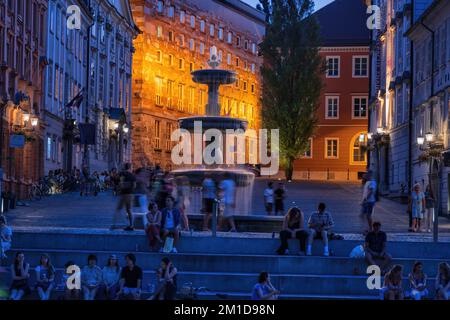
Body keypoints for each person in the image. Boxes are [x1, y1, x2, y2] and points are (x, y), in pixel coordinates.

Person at [111, 163, 136, 231]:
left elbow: (117, 180)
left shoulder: (122, 174)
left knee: (118, 209)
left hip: (124, 194)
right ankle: (131, 225)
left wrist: (120, 187)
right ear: (130, 167)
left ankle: (114, 224)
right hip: (130, 194)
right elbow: (134, 186)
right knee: (129, 210)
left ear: (125, 167)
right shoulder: (132, 175)